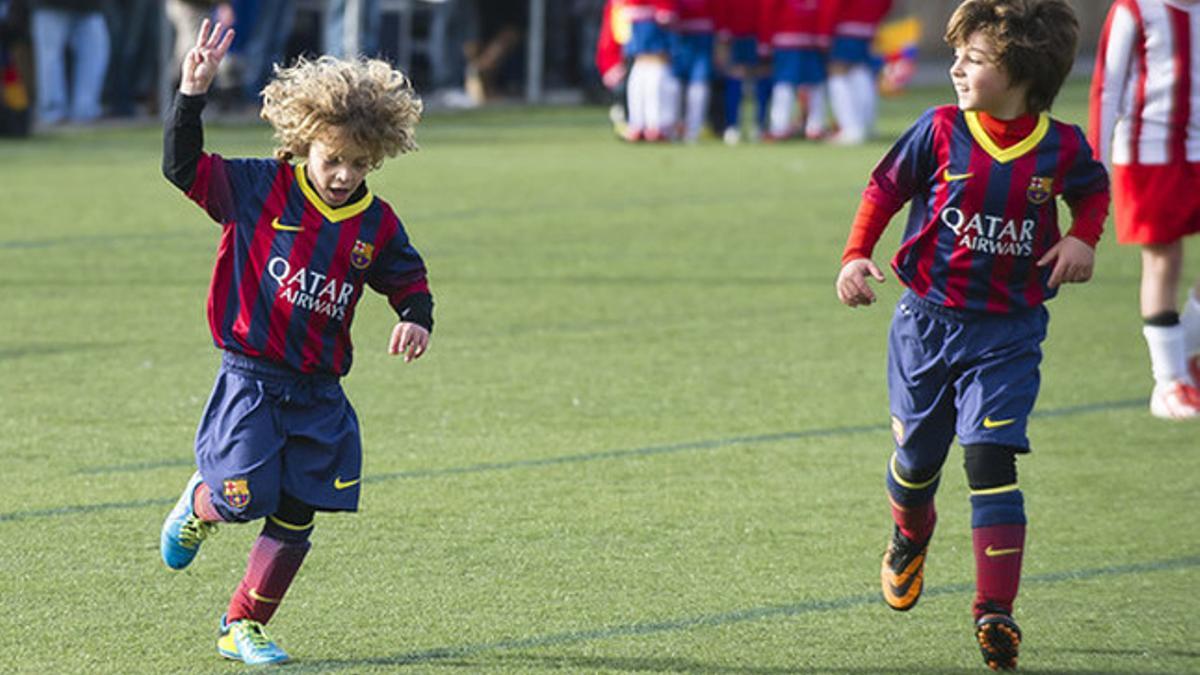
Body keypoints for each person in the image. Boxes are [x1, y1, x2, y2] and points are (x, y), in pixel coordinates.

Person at [834, 0, 1109, 669]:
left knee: (990, 459)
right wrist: (854, 255)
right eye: (957, 53)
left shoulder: (1061, 147)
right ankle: (908, 536)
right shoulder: (937, 131)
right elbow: (883, 190)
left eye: (974, 57)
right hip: (927, 324)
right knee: (917, 465)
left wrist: (1081, 237)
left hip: (1009, 332)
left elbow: (1094, 193)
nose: (955, 65)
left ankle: (995, 612)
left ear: (1020, 70)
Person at [158, 20, 433, 665]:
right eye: (332, 158)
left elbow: (406, 276)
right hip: (252, 377)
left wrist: (416, 315)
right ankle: (200, 502)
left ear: (378, 157)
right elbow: (181, 168)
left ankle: (240, 625)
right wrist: (190, 95)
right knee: (239, 498)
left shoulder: (374, 222)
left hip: (319, 390)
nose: (342, 174)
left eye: (359, 163)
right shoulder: (259, 188)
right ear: (304, 139)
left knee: (298, 513)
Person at [1089, 0, 1200, 419]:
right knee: (1163, 259)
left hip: (1198, 149)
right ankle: (1168, 383)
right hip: (1147, 150)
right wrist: (1095, 164)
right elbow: (1107, 86)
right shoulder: (1133, 9)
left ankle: (1182, 350)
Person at [28, 0, 108, 125]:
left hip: (89, 6)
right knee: (50, 55)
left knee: (95, 51)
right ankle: (52, 111)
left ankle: (85, 109)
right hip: (50, 5)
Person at [826, 0, 892, 144]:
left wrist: (825, 30)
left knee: (838, 75)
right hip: (867, 26)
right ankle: (866, 125)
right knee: (861, 73)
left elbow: (832, 5)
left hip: (843, 27)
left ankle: (851, 128)